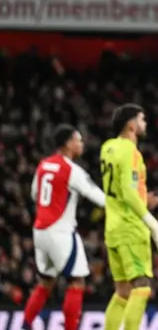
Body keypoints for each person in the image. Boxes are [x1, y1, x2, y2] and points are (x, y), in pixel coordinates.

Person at [100, 104, 158, 330]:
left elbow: (118, 188)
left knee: (122, 292)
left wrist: (143, 198)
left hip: (112, 228)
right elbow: (128, 192)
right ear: (131, 125)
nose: (145, 123)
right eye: (142, 119)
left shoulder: (108, 147)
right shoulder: (132, 152)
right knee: (141, 287)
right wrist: (155, 226)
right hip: (131, 228)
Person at [23, 124, 106, 330]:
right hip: (61, 231)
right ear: (69, 143)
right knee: (77, 282)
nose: (81, 143)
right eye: (78, 139)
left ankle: (25, 326)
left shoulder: (43, 165)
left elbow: (35, 194)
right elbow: (99, 197)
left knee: (45, 282)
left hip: (40, 231)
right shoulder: (72, 170)